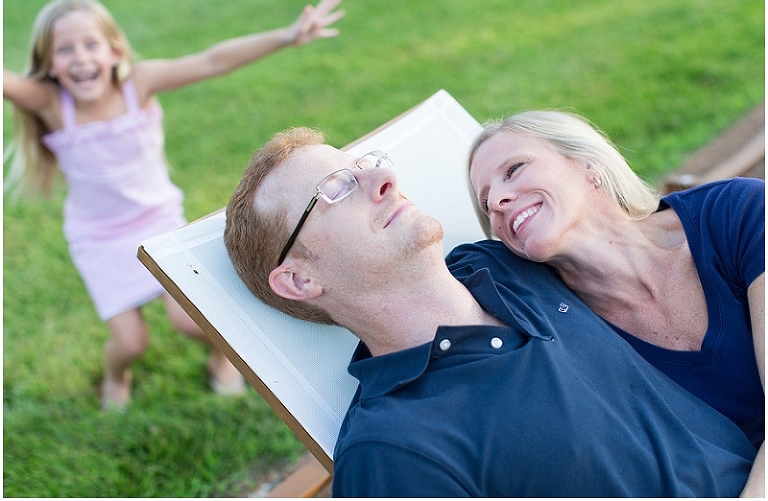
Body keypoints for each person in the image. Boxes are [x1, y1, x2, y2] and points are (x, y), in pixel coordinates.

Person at [223, 127, 757, 497]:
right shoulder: (394, 450)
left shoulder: (509, 266)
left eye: (365, 165)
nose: (383, 180)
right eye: (335, 190)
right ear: (299, 279)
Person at [2, 0, 345, 411]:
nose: (80, 59)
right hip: (98, 237)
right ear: (48, 63)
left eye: (91, 45)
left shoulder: (138, 85)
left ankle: (222, 358)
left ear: (114, 50)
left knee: (191, 321)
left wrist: (287, 36)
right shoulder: (52, 103)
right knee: (130, 343)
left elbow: (212, 61)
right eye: (64, 50)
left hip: (157, 221)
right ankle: (116, 374)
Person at [466, 109, 765, 496]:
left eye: (514, 169)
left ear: (587, 164)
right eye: (485, 203)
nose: (498, 202)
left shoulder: (737, 213)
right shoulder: (561, 337)